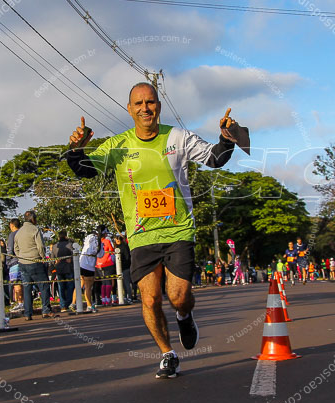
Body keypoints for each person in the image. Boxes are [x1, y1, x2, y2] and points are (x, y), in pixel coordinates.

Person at [66, 82, 238, 379]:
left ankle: (184, 315)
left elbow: (215, 158)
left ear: (158, 105)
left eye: (151, 102)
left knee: (178, 295)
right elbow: (85, 169)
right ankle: (167, 354)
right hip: (141, 234)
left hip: (178, 230)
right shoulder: (118, 146)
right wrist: (75, 150)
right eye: (139, 103)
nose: (145, 108)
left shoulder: (178, 137)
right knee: (149, 299)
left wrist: (227, 139)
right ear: (130, 109)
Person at [14, 210, 57, 320]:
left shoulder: (18, 232)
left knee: (27, 288)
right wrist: (43, 257)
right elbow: (41, 246)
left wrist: (21, 257)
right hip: (35, 262)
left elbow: (16, 249)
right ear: (33, 219)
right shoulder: (35, 230)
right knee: (44, 286)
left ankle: (28, 314)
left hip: (23, 263)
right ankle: (46, 310)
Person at [51, 230, 76, 312]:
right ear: (66, 236)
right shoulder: (70, 245)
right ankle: (69, 304)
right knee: (70, 287)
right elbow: (75, 255)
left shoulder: (55, 246)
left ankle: (62, 305)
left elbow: (52, 259)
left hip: (59, 269)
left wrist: (55, 264)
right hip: (68, 268)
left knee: (61, 287)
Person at [6, 219, 25, 313]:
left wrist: (8, 261)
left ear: (12, 225)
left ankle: (20, 303)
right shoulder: (23, 233)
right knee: (24, 282)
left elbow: (10, 249)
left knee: (16, 283)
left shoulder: (12, 235)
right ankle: (25, 302)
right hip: (25, 260)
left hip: (15, 262)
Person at [95, 228, 115, 305]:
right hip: (107, 263)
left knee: (103, 282)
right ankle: (108, 298)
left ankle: (103, 299)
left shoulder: (96, 242)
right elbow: (112, 250)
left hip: (98, 264)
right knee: (108, 281)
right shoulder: (107, 241)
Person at [112, 234, 134, 303]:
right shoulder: (119, 247)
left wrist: (124, 264)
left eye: (116, 239)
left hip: (125, 267)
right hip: (121, 267)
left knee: (126, 283)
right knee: (123, 284)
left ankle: (129, 297)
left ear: (119, 240)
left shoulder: (123, 247)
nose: (115, 241)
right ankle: (125, 296)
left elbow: (127, 257)